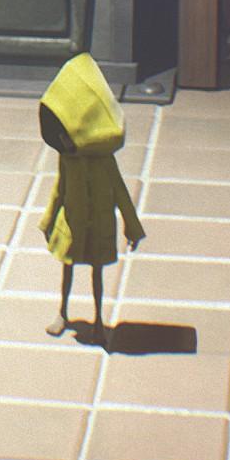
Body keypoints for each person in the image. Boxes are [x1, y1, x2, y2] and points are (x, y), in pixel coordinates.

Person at [37, 52, 145, 338]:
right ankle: (63, 312)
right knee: (68, 269)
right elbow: (59, 190)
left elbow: (121, 195)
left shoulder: (104, 162)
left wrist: (132, 227)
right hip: (72, 224)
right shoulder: (67, 160)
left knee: (97, 274)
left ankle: (98, 319)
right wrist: (48, 221)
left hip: (98, 226)